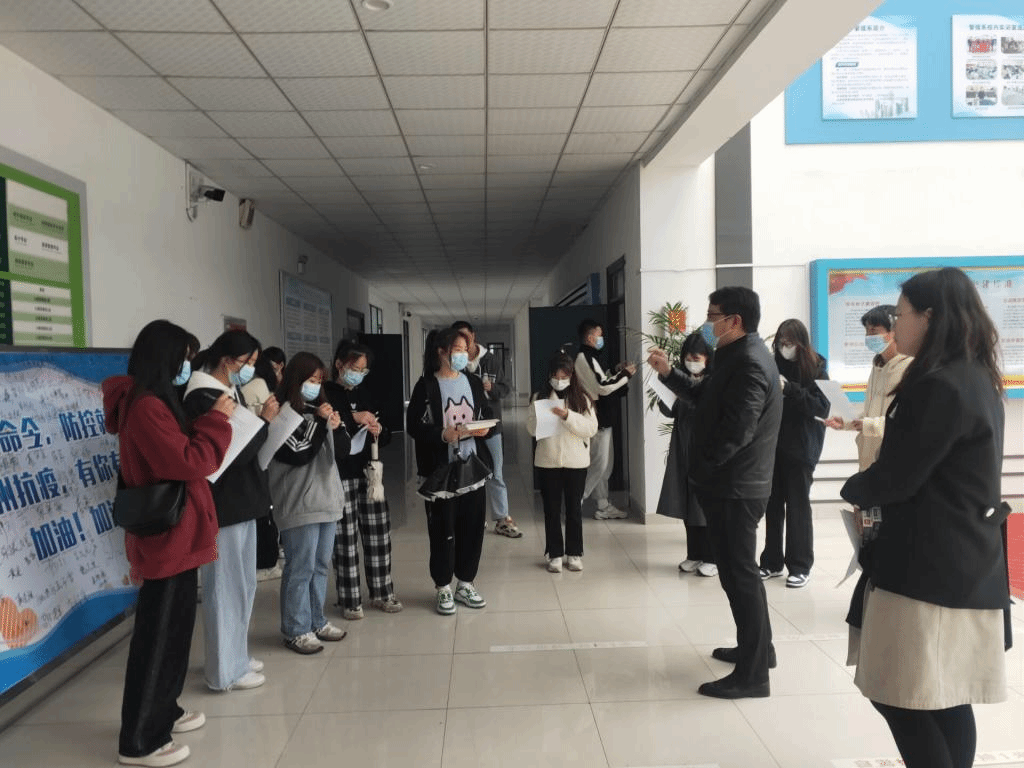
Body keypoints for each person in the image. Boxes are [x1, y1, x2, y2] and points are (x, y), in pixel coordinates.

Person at [839, 268, 1010, 768]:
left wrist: (855, 489)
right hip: (963, 556)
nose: (895, 324)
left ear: (929, 317)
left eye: (901, 314)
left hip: (927, 565)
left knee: (899, 694)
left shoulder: (938, 384)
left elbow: (900, 475)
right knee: (945, 695)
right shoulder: (974, 375)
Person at [103, 320, 234, 767]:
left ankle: (165, 710)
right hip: (166, 539)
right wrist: (216, 421)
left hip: (177, 535)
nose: (188, 367)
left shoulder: (156, 402)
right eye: (184, 358)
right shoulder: (145, 408)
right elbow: (187, 461)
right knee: (157, 641)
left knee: (176, 634)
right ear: (165, 359)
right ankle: (140, 740)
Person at [670, 287, 783, 699]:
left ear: (734, 320)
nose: (707, 323)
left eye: (712, 315)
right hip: (733, 483)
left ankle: (753, 676)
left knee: (740, 576)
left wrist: (701, 468)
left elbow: (738, 430)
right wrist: (669, 374)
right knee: (740, 576)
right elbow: (705, 396)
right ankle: (759, 650)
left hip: (736, 486)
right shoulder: (735, 355)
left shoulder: (750, 362)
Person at [182, 330, 277, 692]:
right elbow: (229, 451)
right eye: (247, 362)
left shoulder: (225, 392)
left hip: (243, 501)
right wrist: (265, 422)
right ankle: (224, 671)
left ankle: (236, 655)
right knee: (224, 588)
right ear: (226, 361)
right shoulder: (203, 396)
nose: (250, 369)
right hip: (224, 504)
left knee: (243, 584)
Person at [406, 327, 493, 615]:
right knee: (443, 529)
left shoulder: (473, 382)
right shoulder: (427, 386)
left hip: (473, 468)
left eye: (466, 350)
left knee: (472, 527)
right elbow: (414, 426)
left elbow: (487, 414)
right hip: (441, 472)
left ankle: (465, 583)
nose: (463, 355)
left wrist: (485, 428)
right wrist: (443, 435)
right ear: (441, 352)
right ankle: (443, 585)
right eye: (458, 350)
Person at [268, 352, 350, 654]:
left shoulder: (320, 412)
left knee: (320, 566)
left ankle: (317, 620)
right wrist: (320, 423)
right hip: (298, 504)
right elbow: (300, 452)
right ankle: (295, 629)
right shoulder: (282, 415)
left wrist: (337, 427)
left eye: (319, 381)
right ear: (296, 380)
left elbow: (342, 451)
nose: (316, 386)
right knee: (300, 568)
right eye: (311, 380)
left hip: (327, 500)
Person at [324, 339, 402, 616]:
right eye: (354, 368)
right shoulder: (326, 394)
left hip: (370, 473)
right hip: (340, 473)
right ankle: (350, 599)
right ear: (339, 364)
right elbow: (325, 430)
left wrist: (379, 430)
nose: (358, 374)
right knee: (344, 539)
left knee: (378, 535)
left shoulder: (368, 393)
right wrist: (352, 417)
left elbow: (388, 432)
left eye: (363, 370)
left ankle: (382, 593)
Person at [757, 319, 829, 588]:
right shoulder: (772, 365)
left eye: (789, 343)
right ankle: (771, 561)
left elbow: (820, 406)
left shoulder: (817, 368)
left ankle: (800, 566)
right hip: (773, 446)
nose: (783, 348)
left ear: (801, 343)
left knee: (798, 506)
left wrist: (790, 389)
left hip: (801, 447)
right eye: (780, 343)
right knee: (773, 505)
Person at [647, 331, 717, 577]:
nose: (691, 363)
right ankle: (694, 554)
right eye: (687, 358)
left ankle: (712, 558)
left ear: (707, 358)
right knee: (688, 502)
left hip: (706, 450)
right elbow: (670, 411)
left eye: (696, 358)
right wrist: (668, 393)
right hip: (683, 447)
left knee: (705, 506)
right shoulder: (679, 379)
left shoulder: (714, 381)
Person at [527, 352, 598, 573]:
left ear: (571, 376)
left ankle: (574, 553)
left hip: (576, 463)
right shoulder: (539, 397)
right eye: (556, 376)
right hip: (547, 462)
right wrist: (545, 417)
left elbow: (590, 428)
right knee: (551, 510)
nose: (559, 381)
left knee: (574, 510)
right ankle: (555, 554)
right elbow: (530, 428)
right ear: (549, 375)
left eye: (564, 376)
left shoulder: (582, 398)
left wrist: (567, 416)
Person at [452, 320, 521, 538]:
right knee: (468, 471)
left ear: (473, 336)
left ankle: (502, 517)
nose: (463, 341)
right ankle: (474, 516)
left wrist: (492, 388)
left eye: (466, 336)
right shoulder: (455, 362)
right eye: (458, 339)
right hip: (465, 428)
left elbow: (505, 388)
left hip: (491, 427)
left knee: (496, 472)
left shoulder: (491, 360)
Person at [825, 305, 912, 471]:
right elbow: (872, 413)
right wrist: (847, 422)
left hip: (893, 460)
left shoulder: (908, 368)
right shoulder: (878, 365)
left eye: (874, 331)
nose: (868, 336)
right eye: (866, 331)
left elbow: (905, 422)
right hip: (869, 459)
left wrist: (867, 425)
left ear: (894, 332)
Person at [574, 319, 635, 519]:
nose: (602, 339)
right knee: (599, 464)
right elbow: (602, 387)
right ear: (590, 337)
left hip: (605, 416)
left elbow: (602, 380)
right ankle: (576, 500)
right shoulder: (585, 358)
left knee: (605, 465)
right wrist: (625, 375)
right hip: (597, 417)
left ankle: (602, 505)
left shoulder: (592, 357)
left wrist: (617, 371)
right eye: (599, 335)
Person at [242, 345, 287, 579]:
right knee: (264, 513)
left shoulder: (249, 386)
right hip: (259, 457)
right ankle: (267, 562)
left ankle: (266, 559)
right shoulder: (259, 386)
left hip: (253, 457)